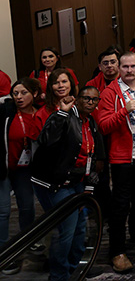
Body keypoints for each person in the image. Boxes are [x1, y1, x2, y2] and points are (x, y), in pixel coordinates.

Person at [32, 86, 105, 281]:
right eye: (86, 98)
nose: (90, 102)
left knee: (81, 226)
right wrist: (61, 113)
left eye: (94, 100)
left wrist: (89, 187)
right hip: (54, 183)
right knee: (67, 228)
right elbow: (46, 140)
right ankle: (58, 276)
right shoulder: (64, 117)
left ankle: (74, 268)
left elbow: (92, 154)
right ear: (78, 99)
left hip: (77, 180)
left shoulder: (90, 122)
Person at [96, 52, 135, 273]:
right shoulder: (109, 92)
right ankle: (117, 251)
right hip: (123, 156)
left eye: (133, 66)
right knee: (120, 204)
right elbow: (103, 125)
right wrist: (124, 111)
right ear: (119, 69)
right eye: (125, 67)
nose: (129, 70)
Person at [0, 78, 41, 274]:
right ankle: (3, 254)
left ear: (34, 93)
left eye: (23, 92)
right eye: (15, 93)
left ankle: (27, 241)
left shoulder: (40, 113)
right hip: (4, 170)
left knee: (27, 207)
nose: (18, 97)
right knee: (4, 212)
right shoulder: (5, 112)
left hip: (24, 170)